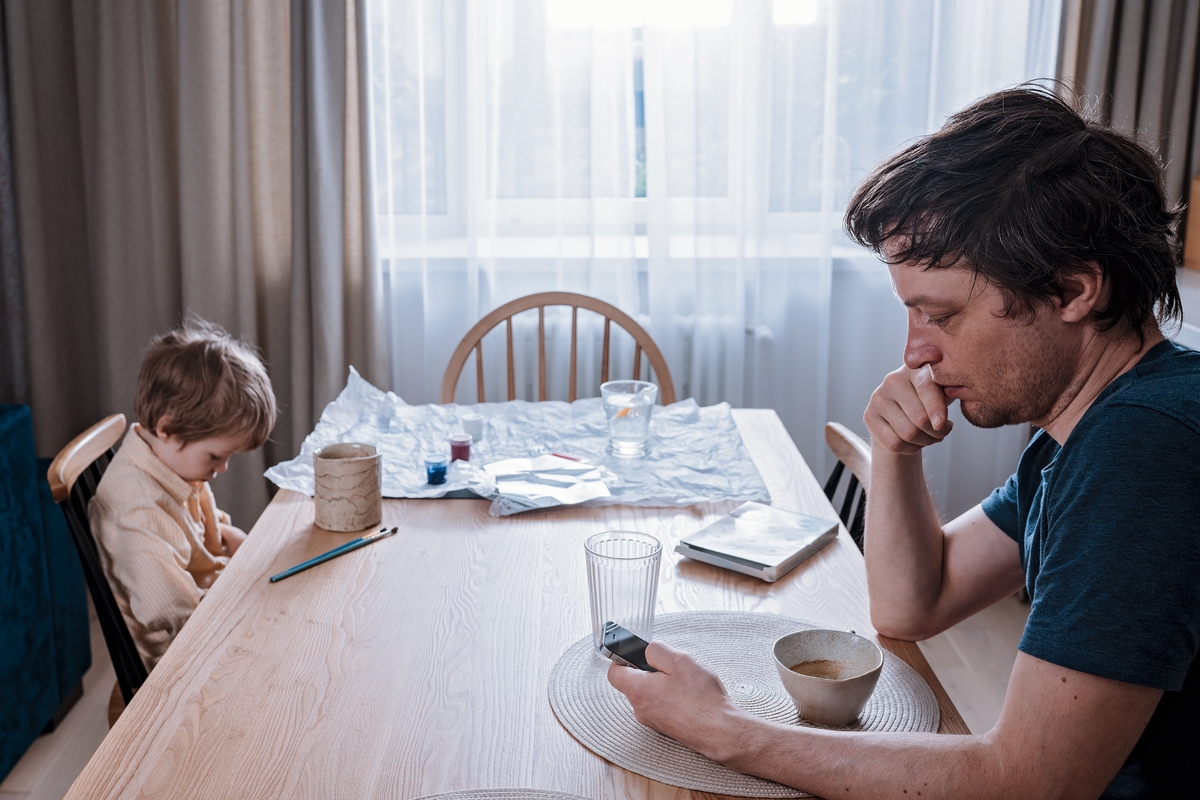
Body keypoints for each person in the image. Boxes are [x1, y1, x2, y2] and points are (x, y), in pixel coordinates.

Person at [608, 85, 1200, 799]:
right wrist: (894, 450)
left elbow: (1029, 781)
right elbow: (912, 606)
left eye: (940, 316)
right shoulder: (1084, 432)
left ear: (1074, 291)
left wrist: (727, 731)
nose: (915, 354)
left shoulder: (1145, 448)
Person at [90, 320, 277, 670]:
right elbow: (174, 614)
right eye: (216, 456)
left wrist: (229, 535)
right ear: (167, 429)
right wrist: (251, 603)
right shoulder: (137, 510)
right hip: (187, 660)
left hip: (211, 610)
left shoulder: (170, 461)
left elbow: (196, 528)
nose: (223, 468)